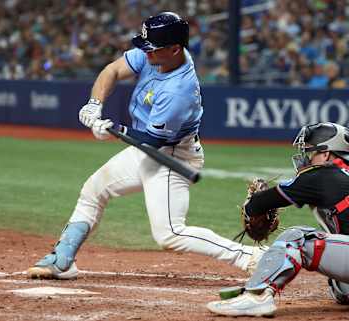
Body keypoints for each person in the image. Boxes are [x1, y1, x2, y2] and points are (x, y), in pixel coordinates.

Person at [27, 12, 264, 280]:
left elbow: (155, 140)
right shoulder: (158, 53)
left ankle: (252, 258)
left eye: (152, 49)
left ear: (175, 49)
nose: (145, 53)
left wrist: (116, 130)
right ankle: (62, 259)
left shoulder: (179, 90)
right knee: (94, 190)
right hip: (148, 150)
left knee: (170, 234)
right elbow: (113, 70)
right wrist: (95, 104)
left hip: (171, 155)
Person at [207, 122, 349, 317]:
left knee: (298, 238)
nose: (307, 159)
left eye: (311, 153)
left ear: (326, 154)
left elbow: (257, 205)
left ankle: (258, 296)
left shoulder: (321, 175)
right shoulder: (340, 175)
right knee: (340, 288)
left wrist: (253, 204)